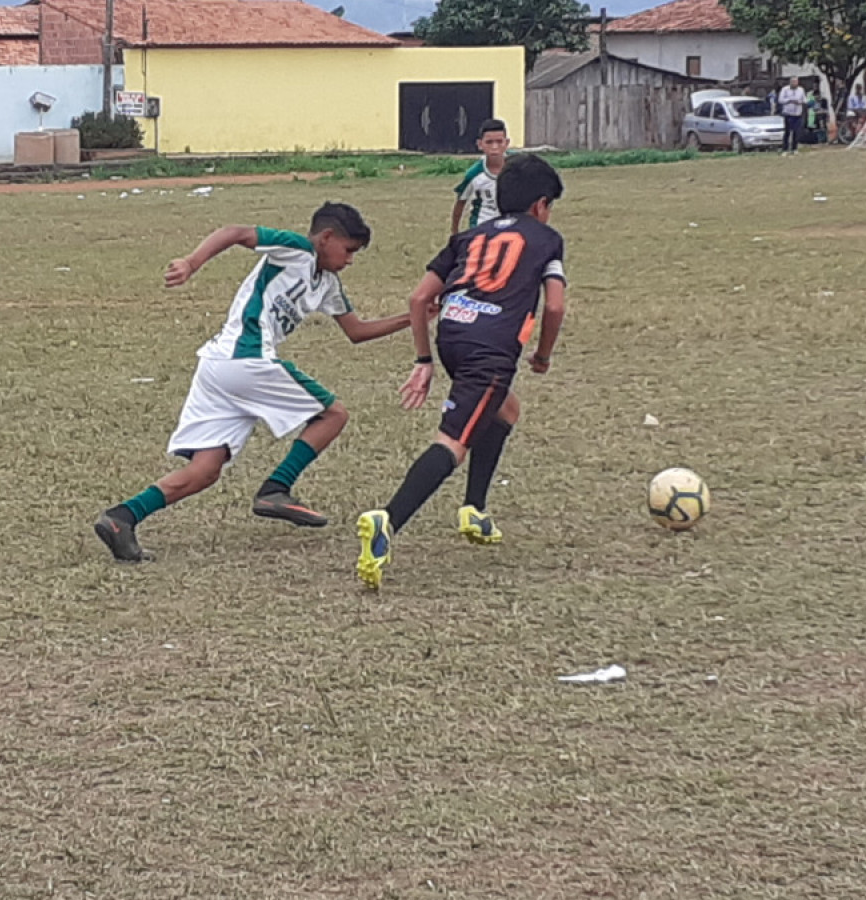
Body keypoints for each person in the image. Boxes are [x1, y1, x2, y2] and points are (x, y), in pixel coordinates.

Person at [93, 203, 413, 563]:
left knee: (205, 470)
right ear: (326, 238)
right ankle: (276, 488)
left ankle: (122, 518)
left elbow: (356, 331)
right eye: (349, 250)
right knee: (333, 415)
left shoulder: (328, 284)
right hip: (245, 358)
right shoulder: (297, 250)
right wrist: (191, 262)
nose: (350, 259)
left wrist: (414, 317)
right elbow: (235, 232)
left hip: (219, 367)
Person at [356, 154, 567, 590]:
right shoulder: (546, 239)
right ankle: (387, 521)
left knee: (504, 409)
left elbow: (419, 300)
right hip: (489, 350)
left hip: (452, 336)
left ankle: (474, 508)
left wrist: (423, 360)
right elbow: (556, 304)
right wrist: (543, 356)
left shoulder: (468, 237)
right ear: (541, 206)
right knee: (453, 441)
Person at [450, 118, 510, 235]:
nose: (494, 147)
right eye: (489, 142)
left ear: (506, 143)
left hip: (509, 225)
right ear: (480, 144)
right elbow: (461, 202)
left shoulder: (518, 167)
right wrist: (455, 232)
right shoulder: (474, 174)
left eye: (499, 141)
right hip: (482, 226)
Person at [777, 76, 807, 154]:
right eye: (793, 82)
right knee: (787, 132)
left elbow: (804, 100)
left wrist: (799, 102)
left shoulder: (801, 90)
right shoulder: (785, 89)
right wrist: (789, 100)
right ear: (790, 82)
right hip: (788, 114)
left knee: (796, 132)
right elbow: (780, 100)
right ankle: (785, 149)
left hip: (797, 113)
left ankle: (795, 149)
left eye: (796, 82)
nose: (794, 83)